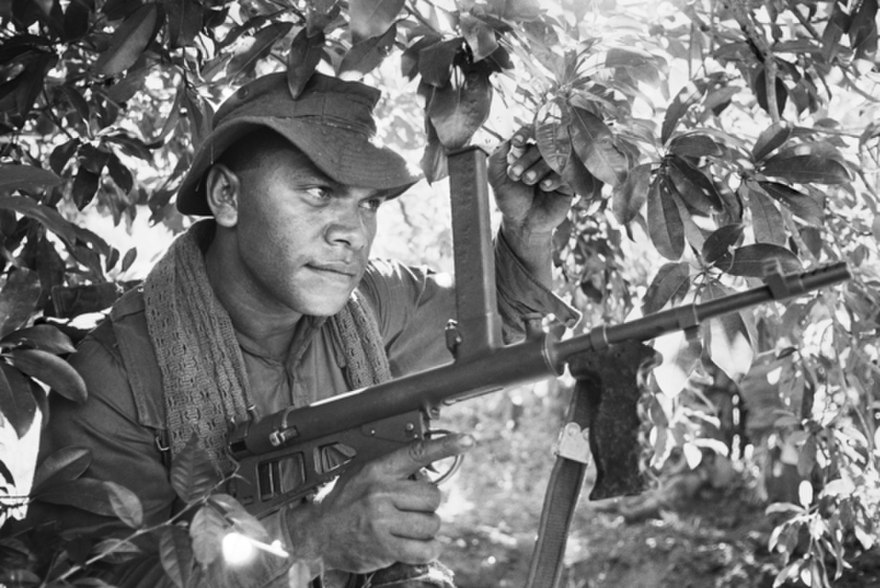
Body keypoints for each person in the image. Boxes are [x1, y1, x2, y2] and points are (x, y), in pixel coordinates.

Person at [30, 71, 579, 587]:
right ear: (227, 197)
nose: (352, 234)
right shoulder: (113, 374)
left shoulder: (370, 305)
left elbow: (494, 331)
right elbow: (90, 576)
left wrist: (527, 232)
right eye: (318, 193)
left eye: (369, 203)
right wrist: (307, 540)